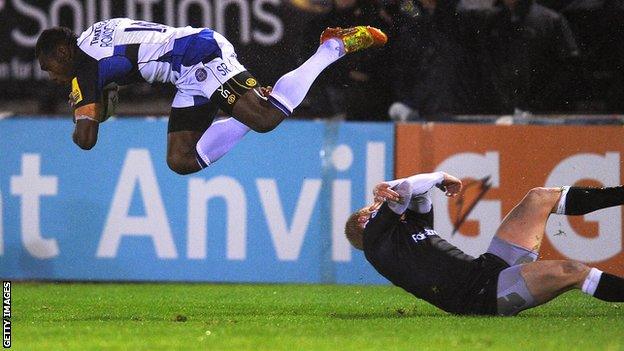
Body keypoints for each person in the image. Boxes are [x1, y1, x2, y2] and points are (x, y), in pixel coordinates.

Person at [35, 18, 387, 174]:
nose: (52, 77)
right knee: (181, 158)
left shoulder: (83, 70)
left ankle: (333, 47)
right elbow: (128, 55)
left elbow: (86, 140)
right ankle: (248, 102)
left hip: (197, 56)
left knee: (265, 119)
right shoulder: (95, 32)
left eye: (49, 67)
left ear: (63, 52)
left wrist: (83, 111)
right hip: (186, 72)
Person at [344, 171, 624, 315]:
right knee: (572, 271)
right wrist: (438, 177)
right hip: (482, 296)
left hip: (490, 269)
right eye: (371, 208)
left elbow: (416, 192)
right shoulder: (375, 242)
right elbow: (405, 191)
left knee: (539, 197)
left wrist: (393, 183)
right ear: (364, 222)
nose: (376, 206)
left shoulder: (411, 224)